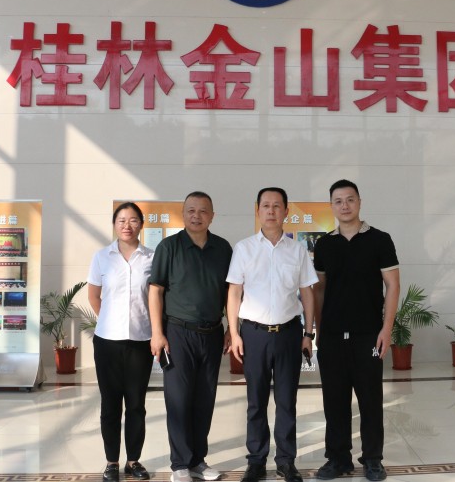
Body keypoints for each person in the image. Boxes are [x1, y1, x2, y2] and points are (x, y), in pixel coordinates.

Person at [227, 187, 317, 482]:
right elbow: (234, 292)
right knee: (256, 401)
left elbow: (307, 292)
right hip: (254, 334)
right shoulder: (244, 248)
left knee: (287, 401)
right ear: (258, 210)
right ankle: (256, 461)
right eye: (265, 205)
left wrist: (308, 333)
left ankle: (286, 461)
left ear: (286, 212)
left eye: (277, 206)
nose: (271, 211)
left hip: (289, 333)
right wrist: (234, 333)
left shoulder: (297, 250)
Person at [312, 179, 401, 482]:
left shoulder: (380, 240)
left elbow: (392, 286)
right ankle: (338, 459)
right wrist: (319, 331)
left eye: (350, 199)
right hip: (332, 337)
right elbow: (319, 290)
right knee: (334, 401)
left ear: (359, 202)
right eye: (338, 201)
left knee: (370, 400)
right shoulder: (324, 244)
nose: (345, 206)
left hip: (369, 336)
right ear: (331, 206)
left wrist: (386, 329)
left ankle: (372, 460)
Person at [148, 192, 233, 482]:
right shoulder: (169, 247)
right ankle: (180, 464)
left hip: (212, 333)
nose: (197, 216)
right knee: (179, 400)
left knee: (205, 400)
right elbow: (155, 290)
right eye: (191, 210)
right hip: (177, 333)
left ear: (212, 216)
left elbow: (231, 292)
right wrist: (157, 333)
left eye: (203, 211)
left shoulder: (223, 248)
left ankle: (198, 461)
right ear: (183, 214)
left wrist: (231, 328)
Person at [88, 202, 155, 482]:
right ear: (115, 224)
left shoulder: (152, 257)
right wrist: (110, 320)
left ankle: (133, 461)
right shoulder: (102, 256)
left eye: (133, 220)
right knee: (110, 404)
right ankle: (111, 462)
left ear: (141, 224)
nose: (127, 225)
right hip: (107, 342)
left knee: (137, 404)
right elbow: (94, 296)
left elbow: (156, 297)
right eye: (122, 220)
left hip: (141, 340)